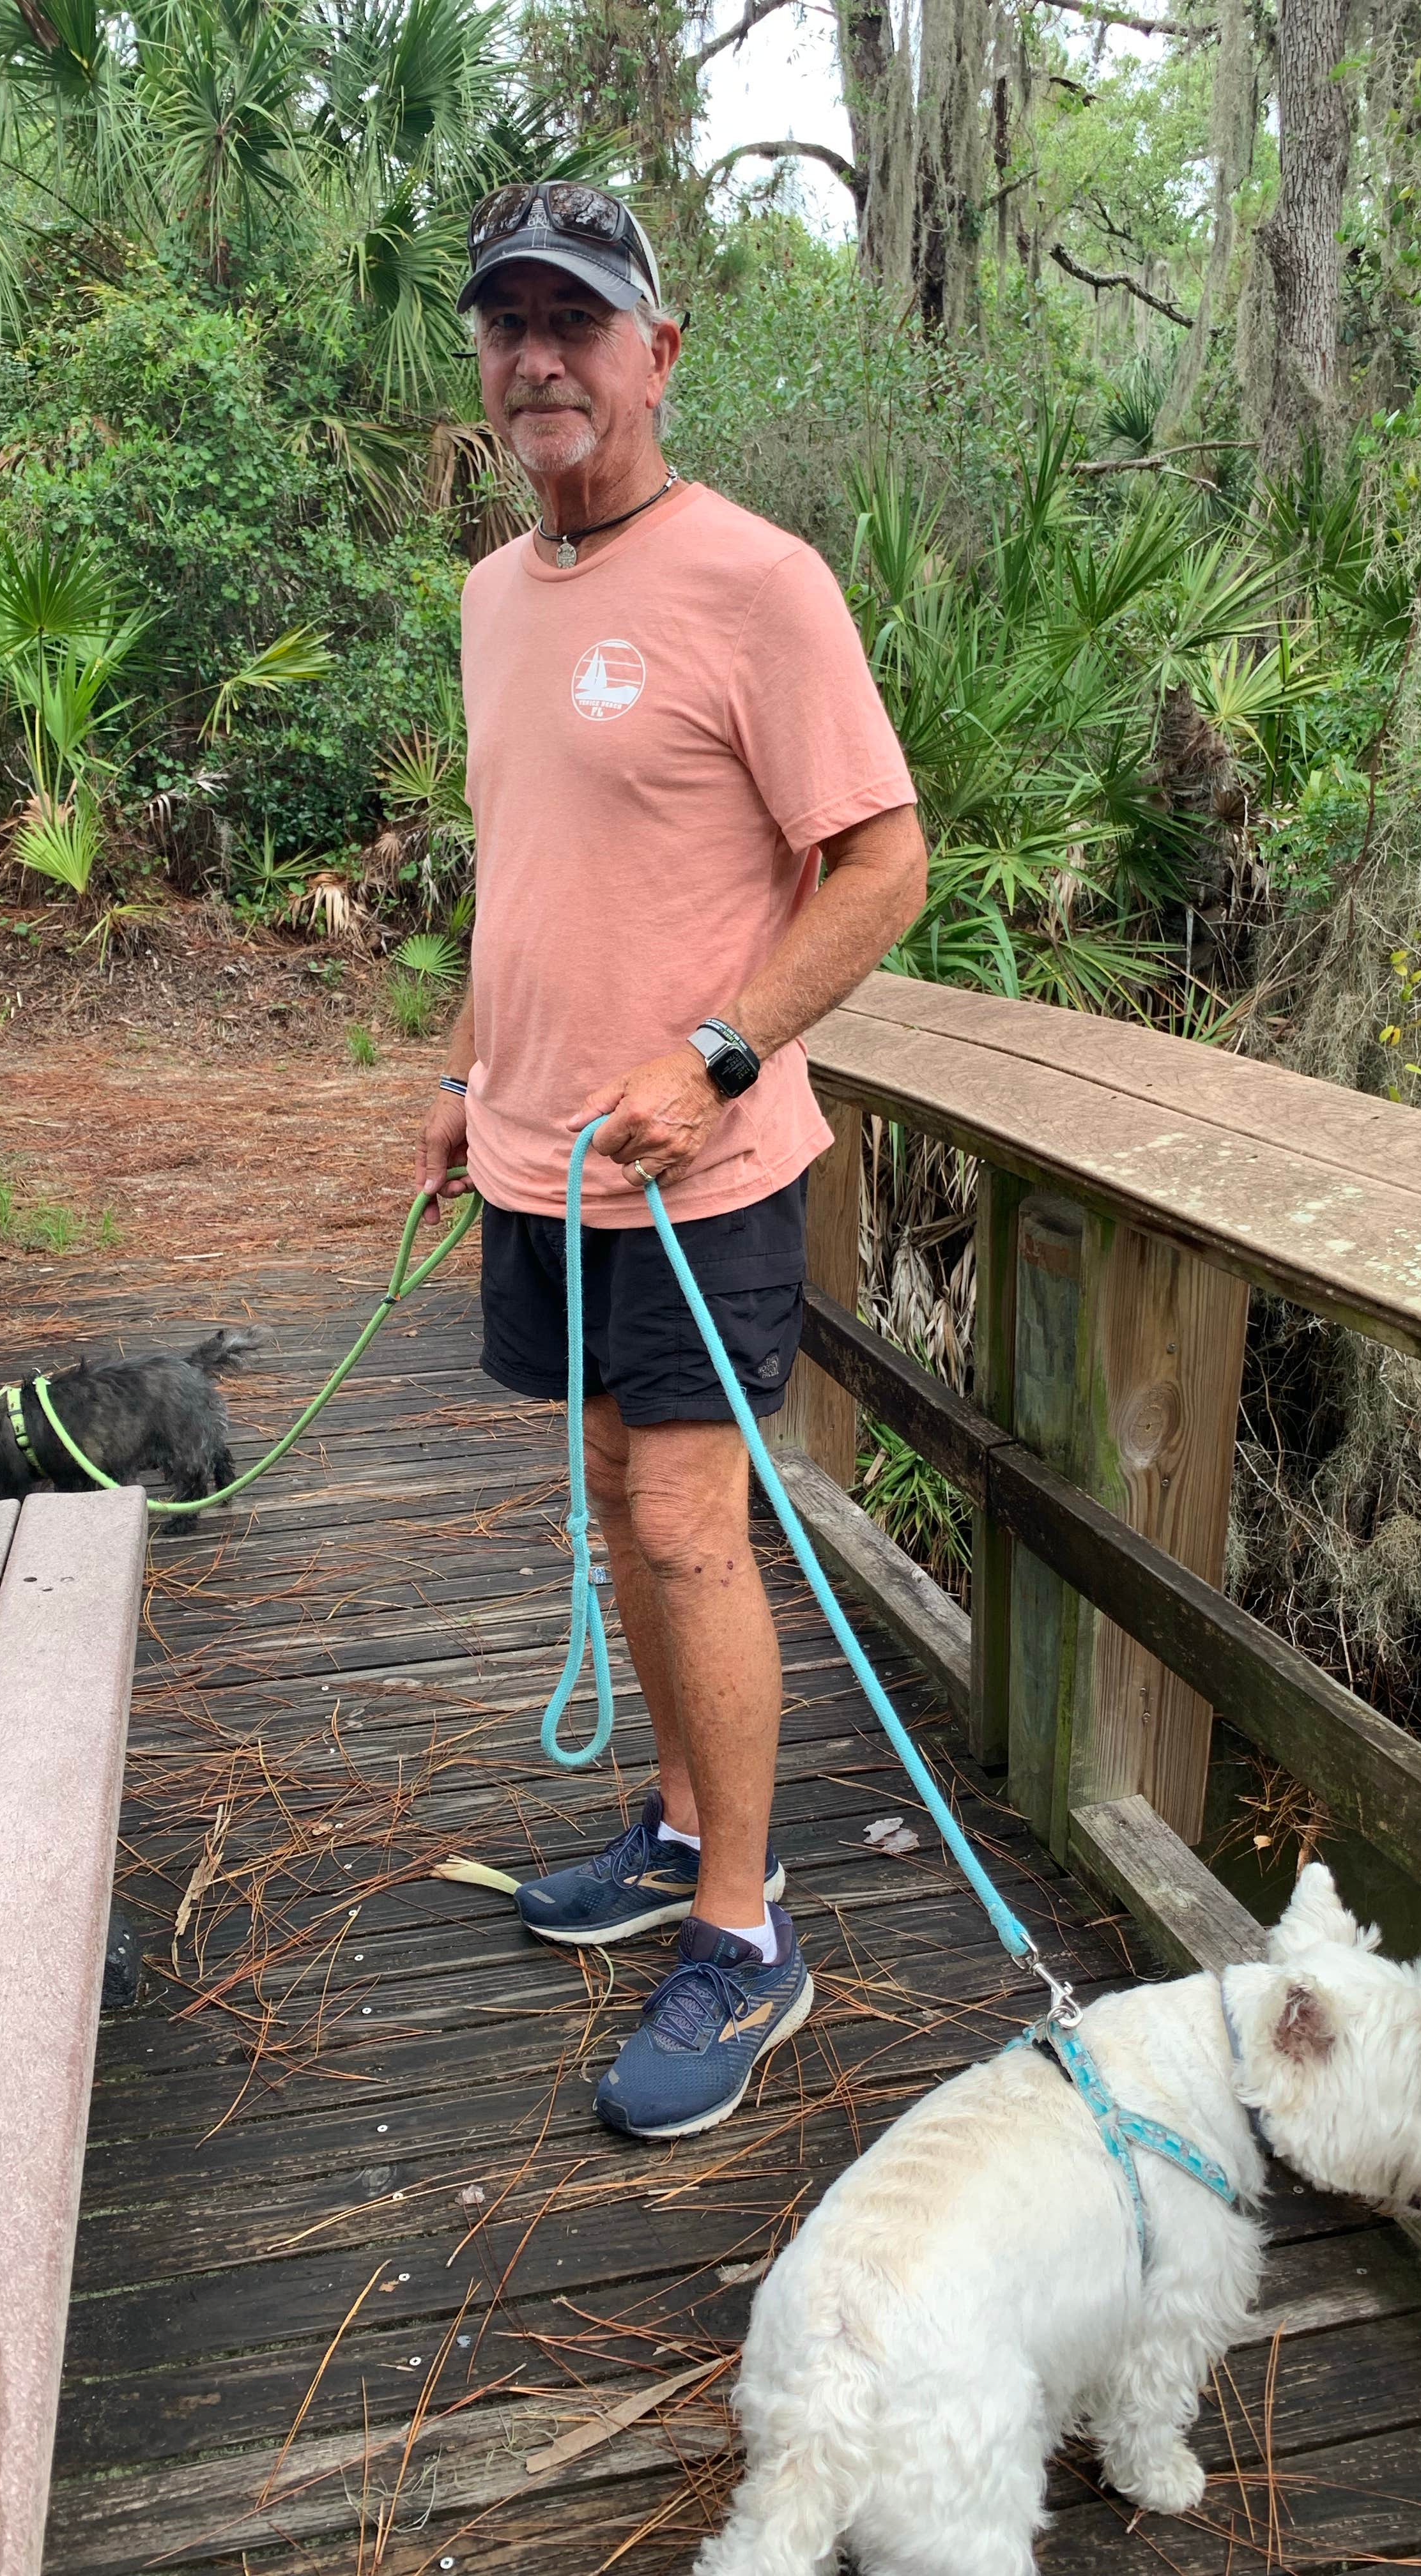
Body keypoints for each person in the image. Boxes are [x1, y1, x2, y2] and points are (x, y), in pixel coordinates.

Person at [414, 181, 926, 2141]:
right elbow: (529, 875)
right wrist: (478, 1074)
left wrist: (719, 1053)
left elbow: (885, 863)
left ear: (658, 352)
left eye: (578, 320)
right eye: (507, 323)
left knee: (696, 1522)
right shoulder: (489, 594)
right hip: (541, 1158)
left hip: (700, 1168)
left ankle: (745, 1929)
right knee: (622, 1490)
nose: (539, 354)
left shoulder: (757, 582)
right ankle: (681, 1824)